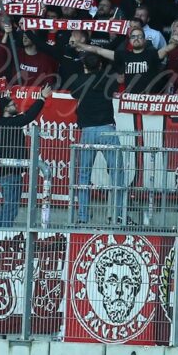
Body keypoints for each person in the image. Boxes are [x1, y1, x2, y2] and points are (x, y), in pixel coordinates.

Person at [63, 52, 119, 225]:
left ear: (84, 66)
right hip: (107, 129)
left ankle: (82, 217)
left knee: (84, 176)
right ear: (100, 65)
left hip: (88, 131)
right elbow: (115, 87)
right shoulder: (108, 78)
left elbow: (73, 95)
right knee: (117, 173)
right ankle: (118, 215)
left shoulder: (79, 79)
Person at [0, 86, 49, 228]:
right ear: (5, 109)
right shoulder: (11, 123)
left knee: (9, 206)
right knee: (11, 207)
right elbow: (29, 116)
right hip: (11, 172)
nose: (16, 106)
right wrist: (42, 98)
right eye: (12, 105)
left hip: (5, 172)